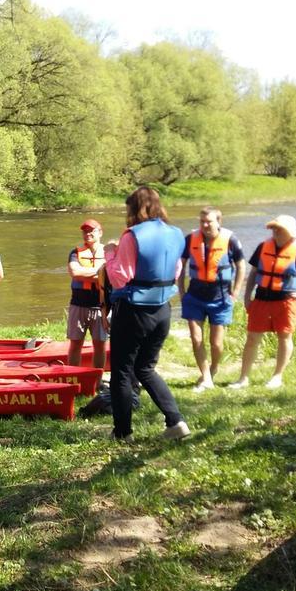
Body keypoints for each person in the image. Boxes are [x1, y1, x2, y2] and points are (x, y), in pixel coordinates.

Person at [105, 187, 190, 442]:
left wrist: (110, 252)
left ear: (135, 208)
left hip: (133, 311)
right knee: (146, 368)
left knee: (121, 371)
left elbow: (120, 278)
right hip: (163, 310)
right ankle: (176, 421)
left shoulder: (133, 236)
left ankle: (123, 433)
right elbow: (176, 271)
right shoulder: (176, 233)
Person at [229, 215, 296, 390]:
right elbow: (253, 273)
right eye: (273, 228)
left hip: (286, 300)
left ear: (289, 232)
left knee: (284, 336)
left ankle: (277, 376)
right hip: (261, 298)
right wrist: (247, 297)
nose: (275, 232)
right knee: (252, 338)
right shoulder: (263, 246)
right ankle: (243, 378)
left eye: (279, 229)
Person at [177, 207, 246, 391]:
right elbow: (180, 266)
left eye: (209, 221)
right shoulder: (190, 239)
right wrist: (181, 292)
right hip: (194, 295)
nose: (205, 225)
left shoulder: (230, 240)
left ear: (219, 222)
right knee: (196, 338)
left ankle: (213, 368)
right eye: (202, 221)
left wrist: (236, 292)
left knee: (216, 343)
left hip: (221, 296)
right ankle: (206, 377)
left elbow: (241, 266)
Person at [67, 218, 108, 369]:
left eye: (91, 230)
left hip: (101, 305)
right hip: (78, 304)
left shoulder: (108, 252)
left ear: (100, 232)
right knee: (75, 343)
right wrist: (100, 274)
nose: (87, 233)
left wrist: (91, 274)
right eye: (85, 231)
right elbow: (75, 273)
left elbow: (110, 276)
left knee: (100, 344)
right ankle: (72, 377)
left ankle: (97, 381)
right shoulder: (75, 252)